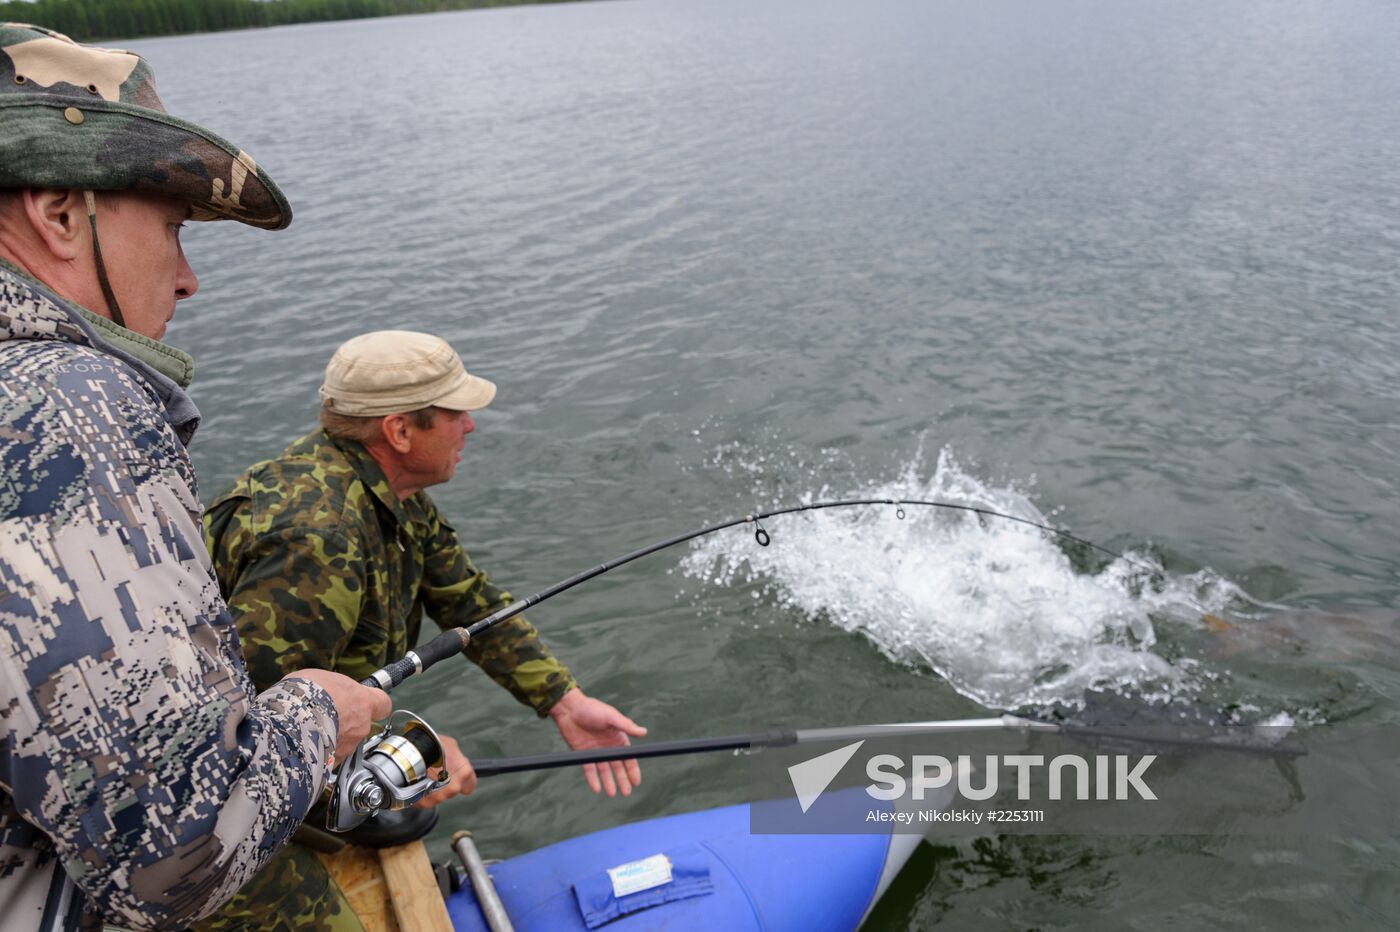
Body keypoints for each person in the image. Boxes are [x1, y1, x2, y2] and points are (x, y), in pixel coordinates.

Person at [0, 25, 390, 931]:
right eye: (172, 230)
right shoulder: (62, 405)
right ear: (59, 213)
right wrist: (319, 714)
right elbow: (173, 854)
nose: (187, 279)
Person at [200, 330, 647, 929]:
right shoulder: (317, 538)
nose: (471, 427)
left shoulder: (387, 491)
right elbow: (250, 723)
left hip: (284, 761)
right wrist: (411, 753)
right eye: (456, 413)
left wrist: (563, 700)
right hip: (211, 813)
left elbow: (469, 601)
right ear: (400, 431)